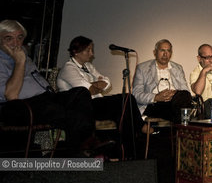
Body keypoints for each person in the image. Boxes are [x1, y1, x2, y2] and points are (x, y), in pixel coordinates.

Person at [0, 20, 104, 156]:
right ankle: (78, 150)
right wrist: (20, 62)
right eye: (9, 38)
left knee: (81, 93)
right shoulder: (11, 59)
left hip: (46, 97)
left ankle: (83, 144)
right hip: (17, 106)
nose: (16, 43)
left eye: (19, 38)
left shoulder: (23, 53)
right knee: (65, 111)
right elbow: (11, 95)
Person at [57, 36, 153, 158]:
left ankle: (127, 153)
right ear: (76, 51)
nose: (91, 54)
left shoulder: (89, 67)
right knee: (126, 99)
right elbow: (87, 91)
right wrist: (97, 85)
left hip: (97, 103)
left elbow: (107, 83)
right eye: (88, 50)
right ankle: (140, 127)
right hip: (82, 110)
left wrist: (97, 85)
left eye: (92, 50)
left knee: (125, 110)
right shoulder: (68, 68)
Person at [132, 39, 193, 123]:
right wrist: (156, 97)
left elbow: (185, 92)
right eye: (162, 50)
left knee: (185, 95)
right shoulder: (142, 68)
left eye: (168, 51)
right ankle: (181, 130)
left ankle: (178, 129)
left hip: (174, 102)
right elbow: (136, 95)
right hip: (154, 104)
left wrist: (173, 94)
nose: (165, 54)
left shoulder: (178, 68)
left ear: (171, 53)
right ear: (154, 52)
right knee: (179, 111)